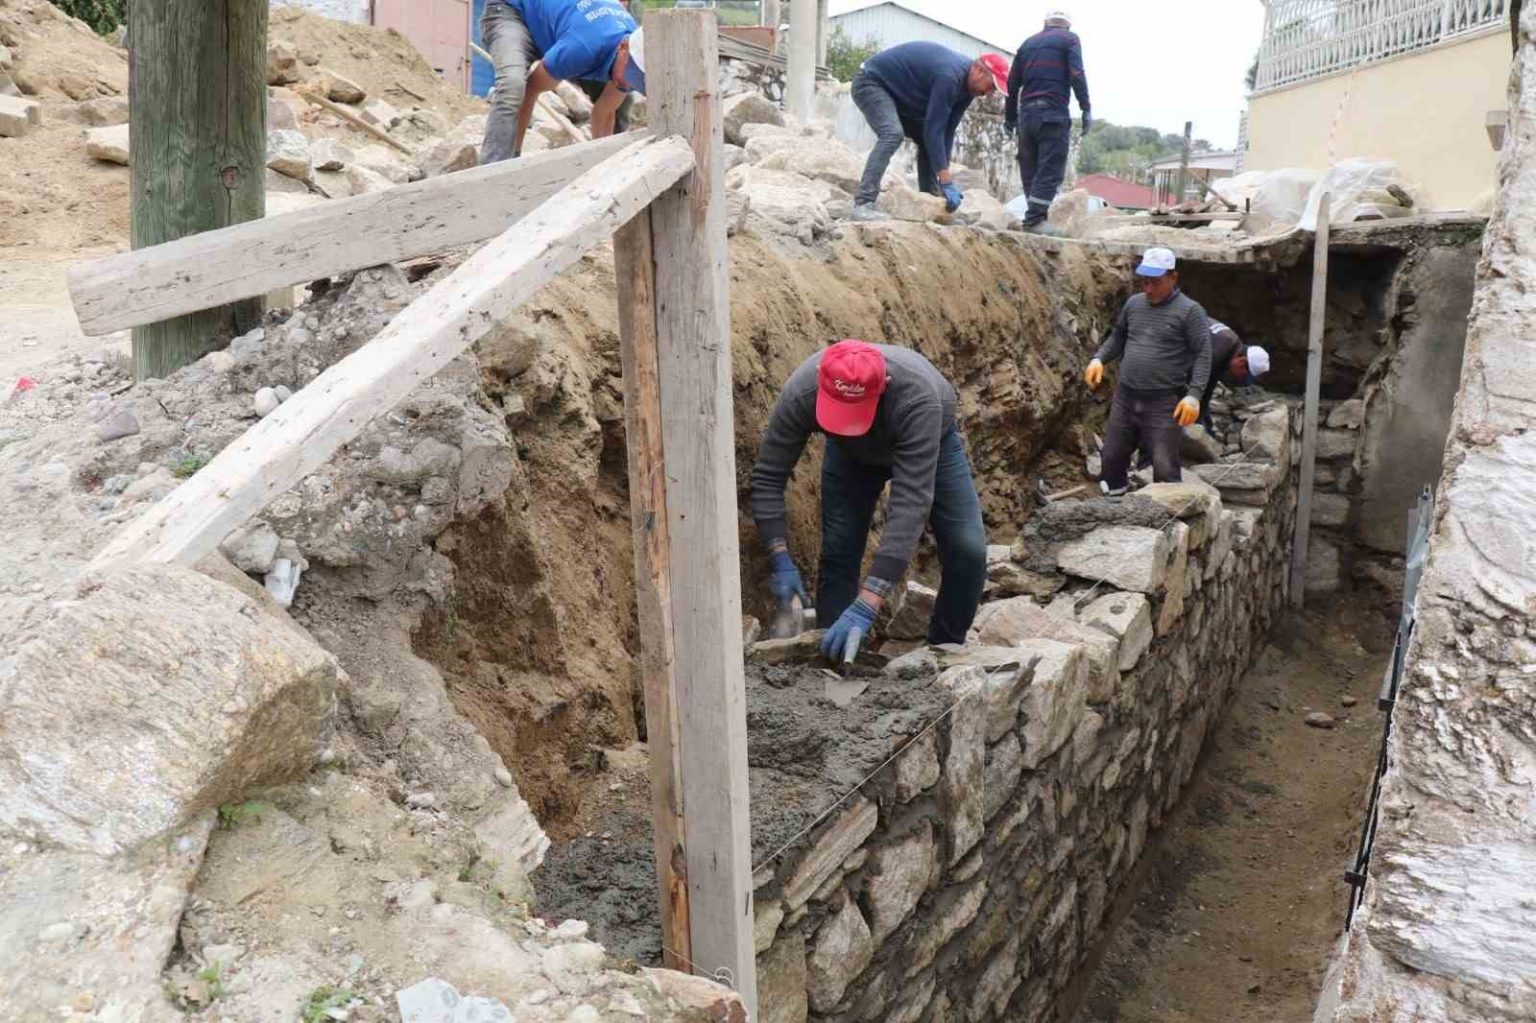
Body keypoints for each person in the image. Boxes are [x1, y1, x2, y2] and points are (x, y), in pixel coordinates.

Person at [750, 340, 988, 662]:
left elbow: (910, 505)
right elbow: (768, 477)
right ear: (820, 377)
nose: (850, 425)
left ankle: (941, 653)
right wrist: (779, 557)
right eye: (840, 413)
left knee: (968, 549)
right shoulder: (802, 391)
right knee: (839, 549)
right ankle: (831, 656)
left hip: (931, 440)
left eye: (855, 413)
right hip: (849, 457)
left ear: (884, 385)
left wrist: (869, 601)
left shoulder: (917, 398)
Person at [1085, 247, 1212, 495]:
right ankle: (1116, 503)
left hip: (1164, 402)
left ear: (1173, 277)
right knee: (1112, 456)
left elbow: (1203, 355)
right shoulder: (1134, 304)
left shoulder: (1190, 311)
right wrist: (1099, 359)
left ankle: (1167, 514)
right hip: (1126, 397)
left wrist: (1194, 395)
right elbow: (1119, 337)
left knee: (1164, 466)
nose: (1149, 289)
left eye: (1155, 282)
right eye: (1145, 282)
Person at [847, 42, 1011, 221]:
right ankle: (863, 203)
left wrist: (944, 179)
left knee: (929, 142)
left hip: (899, 95)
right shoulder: (949, 77)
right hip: (870, 82)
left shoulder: (969, 89)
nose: (989, 93)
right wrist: (946, 180)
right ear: (979, 71)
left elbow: (946, 131)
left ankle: (933, 206)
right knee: (892, 134)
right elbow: (934, 130)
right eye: (992, 86)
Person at [479, 0, 645, 164]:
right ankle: (492, 170)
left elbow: (605, 111)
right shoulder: (584, 47)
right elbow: (531, 90)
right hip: (513, 12)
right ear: (623, 47)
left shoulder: (637, 53)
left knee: (623, 102)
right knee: (513, 86)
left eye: (635, 78)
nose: (628, 81)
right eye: (629, 72)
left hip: (556, 29)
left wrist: (602, 166)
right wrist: (513, 160)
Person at [1005, 9, 1090, 233]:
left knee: (1030, 167)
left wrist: (1010, 117)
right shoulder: (1070, 39)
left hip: (1026, 116)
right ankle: (1034, 220)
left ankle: (1034, 218)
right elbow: (1077, 74)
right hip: (1052, 113)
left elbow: (1012, 84)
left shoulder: (1027, 44)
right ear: (1067, 25)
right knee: (1050, 168)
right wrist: (1085, 107)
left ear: (1045, 24)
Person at [1197, 321, 1271, 428]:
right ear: (1242, 361)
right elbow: (1190, 382)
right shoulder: (1217, 352)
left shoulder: (1230, 345)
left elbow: (1208, 386)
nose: (1240, 378)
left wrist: (1205, 422)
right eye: (1244, 376)